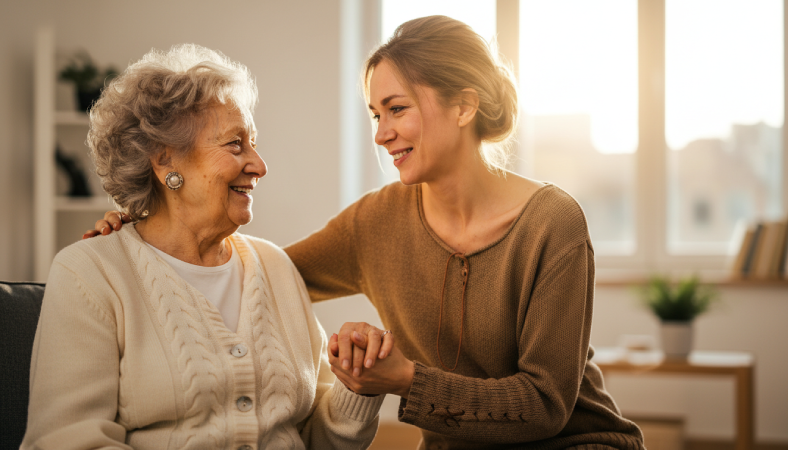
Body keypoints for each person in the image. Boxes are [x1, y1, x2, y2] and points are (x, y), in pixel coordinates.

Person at [90, 16, 644, 449]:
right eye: (375, 115)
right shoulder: (376, 222)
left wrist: (406, 379)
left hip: (577, 444)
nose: (382, 135)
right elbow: (255, 276)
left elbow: (545, 405)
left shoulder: (554, 223)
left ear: (464, 105)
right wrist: (145, 240)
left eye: (396, 109)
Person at [23, 44, 383, 450]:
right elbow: (67, 440)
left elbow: (314, 437)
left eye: (254, 143)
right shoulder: (90, 273)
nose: (259, 165)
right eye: (235, 144)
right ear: (165, 162)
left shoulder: (275, 266)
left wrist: (358, 386)